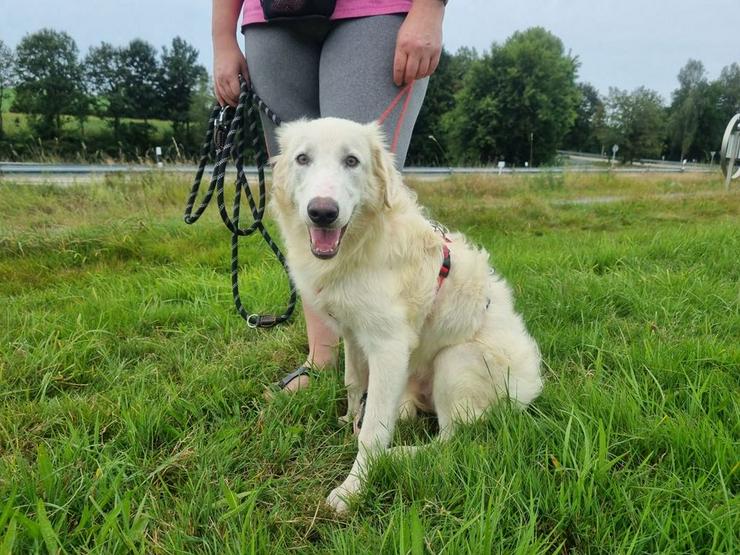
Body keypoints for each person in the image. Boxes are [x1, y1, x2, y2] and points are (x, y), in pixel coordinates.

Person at [211, 0, 446, 392]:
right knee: (302, 194)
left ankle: (387, 364)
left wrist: (429, 8)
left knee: (371, 199)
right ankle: (321, 357)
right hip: (272, 17)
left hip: (377, 10)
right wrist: (222, 37)